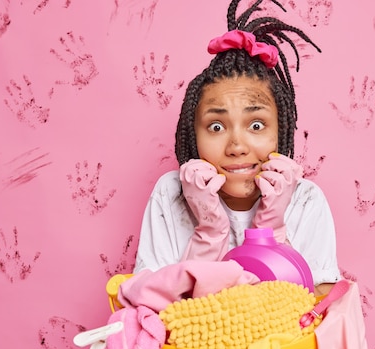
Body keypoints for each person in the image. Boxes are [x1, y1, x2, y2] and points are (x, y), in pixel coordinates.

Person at [133, 0, 342, 296]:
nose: (236, 146)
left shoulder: (306, 200)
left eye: (256, 125)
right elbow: (151, 306)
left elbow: (318, 311)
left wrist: (269, 236)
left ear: (279, 132)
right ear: (193, 135)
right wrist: (209, 233)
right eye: (216, 127)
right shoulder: (170, 193)